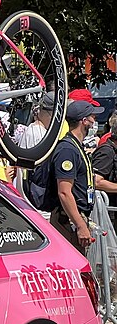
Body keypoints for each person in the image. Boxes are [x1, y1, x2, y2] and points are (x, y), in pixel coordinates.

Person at [49, 99, 98, 254]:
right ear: (84, 121)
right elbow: (64, 192)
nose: (94, 121)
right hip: (68, 220)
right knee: (72, 264)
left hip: (76, 218)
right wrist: (80, 226)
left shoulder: (77, 146)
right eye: (92, 117)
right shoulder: (67, 150)